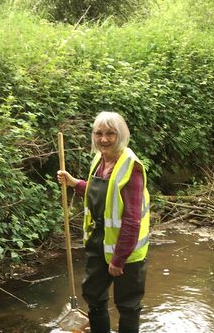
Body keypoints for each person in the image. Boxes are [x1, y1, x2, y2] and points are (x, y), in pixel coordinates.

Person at [57, 111, 150, 333]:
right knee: (94, 297)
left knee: (127, 304)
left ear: (122, 135)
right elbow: (102, 195)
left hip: (126, 250)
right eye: (99, 134)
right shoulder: (99, 160)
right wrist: (74, 183)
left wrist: (118, 260)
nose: (104, 139)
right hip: (98, 242)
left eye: (110, 133)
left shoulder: (131, 168)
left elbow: (131, 219)